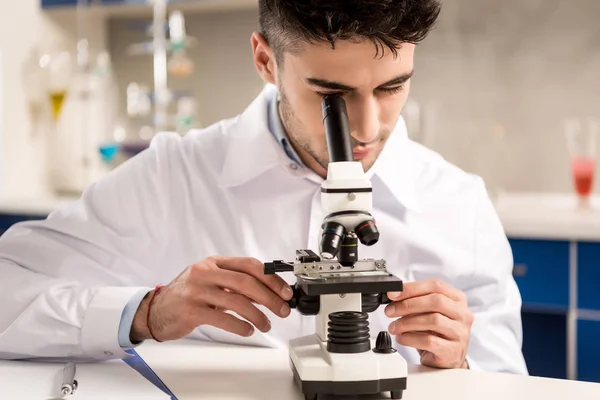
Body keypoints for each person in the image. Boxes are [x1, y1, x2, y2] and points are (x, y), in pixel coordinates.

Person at [0, 0, 528, 375]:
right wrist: (147, 312)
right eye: (331, 92)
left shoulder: (460, 203)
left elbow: (509, 383)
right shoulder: (173, 176)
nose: (366, 128)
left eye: (392, 86)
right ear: (265, 60)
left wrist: (461, 362)